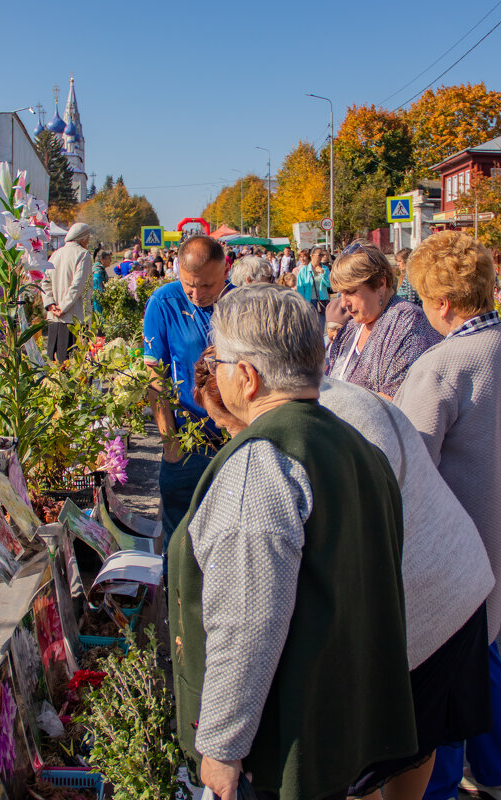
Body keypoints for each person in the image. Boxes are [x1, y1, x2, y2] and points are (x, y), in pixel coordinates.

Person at [196, 356, 495, 800]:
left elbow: (258, 609)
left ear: (247, 383)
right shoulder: (324, 398)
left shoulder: (312, 435)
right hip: (451, 579)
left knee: (369, 758)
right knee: (402, 749)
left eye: (229, 423)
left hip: (424, 603)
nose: (231, 436)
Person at [168, 285, 417, 800]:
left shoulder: (262, 464)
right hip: (341, 727)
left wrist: (219, 745)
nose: (210, 370)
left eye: (216, 359)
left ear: (247, 376)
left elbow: (246, 620)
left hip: (281, 748)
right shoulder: (355, 444)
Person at [394, 231, 501, 800]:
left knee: (443, 674)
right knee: (486, 652)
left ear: (443, 302)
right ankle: (497, 776)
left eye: (424, 298)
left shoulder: (443, 364)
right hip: (493, 522)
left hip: (449, 540)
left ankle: (441, 788)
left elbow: (408, 464)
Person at [143, 234, 233, 542]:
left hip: (233, 440)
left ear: (225, 271)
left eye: (207, 285)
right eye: (188, 284)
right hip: (187, 442)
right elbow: (156, 377)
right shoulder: (163, 302)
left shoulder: (241, 304)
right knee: (180, 541)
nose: (197, 293)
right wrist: (170, 441)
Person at [323, 242, 439, 397]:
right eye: (340, 294)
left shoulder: (409, 323)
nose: (344, 303)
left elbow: (396, 399)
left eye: (350, 292)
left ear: (380, 284)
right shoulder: (351, 328)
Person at [41, 222, 94, 360]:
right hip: (74, 317)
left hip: (54, 316)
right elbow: (78, 285)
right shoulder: (83, 255)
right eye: (88, 238)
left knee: (57, 362)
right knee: (74, 363)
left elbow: (45, 281)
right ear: (82, 238)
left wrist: (50, 304)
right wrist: (63, 307)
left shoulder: (55, 254)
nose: (88, 241)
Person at [295, 246, 331, 319]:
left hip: (322, 300)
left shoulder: (325, 269)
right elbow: (300, 289)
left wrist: (322, 273)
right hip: (309, 301)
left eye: (322, 255)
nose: (322, 257)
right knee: (311, 325)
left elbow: (329, 284)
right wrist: (302, 303)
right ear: (312, 255)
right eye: (319, 255)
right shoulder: (303, 270)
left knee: (322, 324)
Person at [91, 249, 108, 316]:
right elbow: (97, 292)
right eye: (108, 259)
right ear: (102, 259)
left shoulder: (96, 268)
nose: (110, 261)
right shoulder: (98, 271)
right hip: (97, 304)